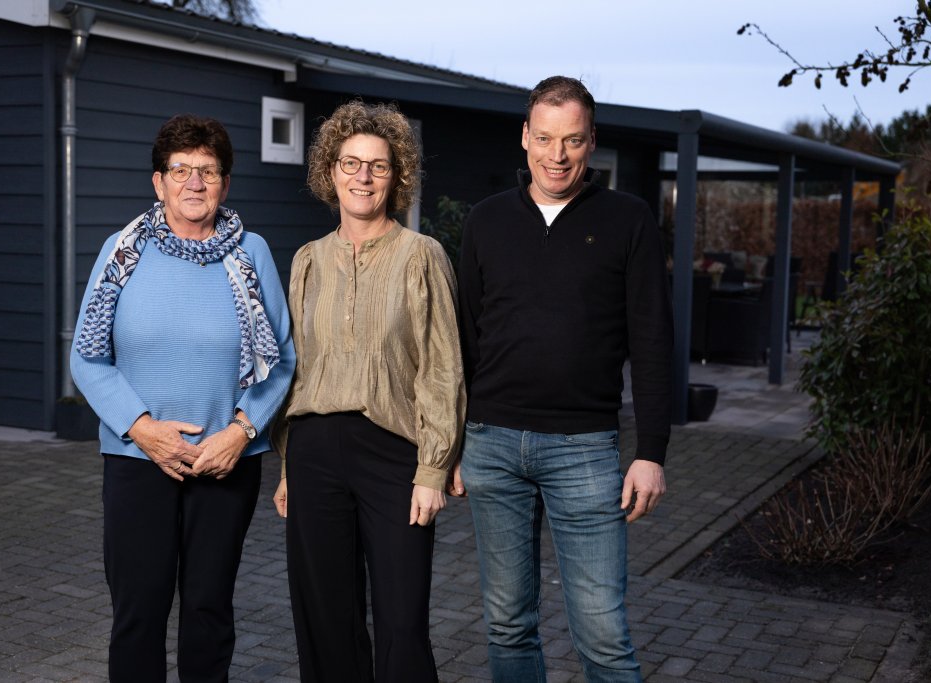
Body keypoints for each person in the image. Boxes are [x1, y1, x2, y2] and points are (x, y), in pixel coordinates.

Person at [451, 76, 673, 682]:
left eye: (572, 140)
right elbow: (464, 341)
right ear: (524, 137)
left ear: (592, 141)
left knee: (602, 632)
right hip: (492, 445)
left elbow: (653, 343)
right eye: (545, 138)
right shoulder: (486, 221)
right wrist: (454, 445)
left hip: (585, 452)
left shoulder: (628, 220)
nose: (557, 155)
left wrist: (650, 452)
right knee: (507, 624)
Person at [71, 114, 295, 682]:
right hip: (136, 459)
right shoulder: (121, 252)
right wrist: (142, 428)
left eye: (209, 170)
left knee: (208, 608)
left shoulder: (253, 253)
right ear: (158, 182)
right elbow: (87, 357)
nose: (195, 183)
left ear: (224, 182)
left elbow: (281, 358)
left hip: (225, 462)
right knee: (138, 611)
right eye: (181, 170)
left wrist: (241, 431)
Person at [271, 100, 465, 683]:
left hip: (393, 455)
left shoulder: (421, 255)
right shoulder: (307, 260)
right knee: (326, 620)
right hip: (313, 451)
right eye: (351, 163)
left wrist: (435, 468)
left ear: (397, 176)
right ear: (329, 171)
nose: (363, 177)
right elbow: (296, 368)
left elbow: (442, 365)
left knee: (403, 623)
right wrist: (287, 464)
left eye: (378, 167)